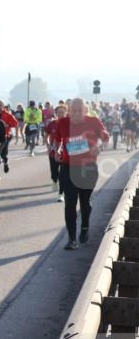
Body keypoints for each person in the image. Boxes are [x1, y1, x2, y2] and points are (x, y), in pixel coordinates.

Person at [54, 98, 109, 250]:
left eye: (80, 111)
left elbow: (105, 137)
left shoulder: (94, 121)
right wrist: (57, 151)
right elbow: (58, 140)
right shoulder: (63, 123)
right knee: (70, 204)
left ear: (85, 111)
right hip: (68, 167)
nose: (76, 114)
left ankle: (84, 227)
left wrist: (100, 146)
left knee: (85, 203)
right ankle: (72, 239)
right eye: (74, 111)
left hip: (88, 168)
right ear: (69, 110)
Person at [45, 105, 67, 202]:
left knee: (63, 174)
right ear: (56, 113)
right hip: (53, 152)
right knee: (54, 172)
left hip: (65, 153)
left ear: (66, 113)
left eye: (63, 112)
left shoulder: (69, 124)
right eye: (59, 112)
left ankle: (61, 194)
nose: (61, 114)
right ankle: (54, 181)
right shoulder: (52, 124)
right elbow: (46, 136)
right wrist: (48, 146)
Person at [0, 101, 19, 175]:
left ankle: (5, 162)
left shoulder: (7, 114)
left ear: (3, 106)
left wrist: (8, 125)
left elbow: (16, 123)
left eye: (0, 105)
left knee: (2, 153)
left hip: (6, 135)